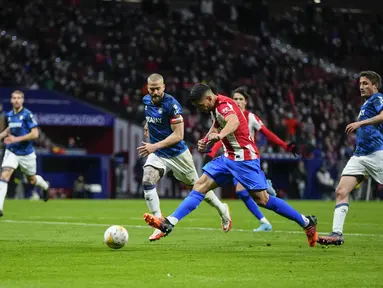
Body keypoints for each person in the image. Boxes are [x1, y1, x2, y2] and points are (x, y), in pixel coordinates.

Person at [143, 83, 318, 247]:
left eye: (199, 105)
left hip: (245, 159)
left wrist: (219, 137)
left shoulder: (223, 105)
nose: (199, 108)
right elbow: (217, 123)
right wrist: (207, 139)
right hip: (229, 158)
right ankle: (169, 223)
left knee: (263, 200)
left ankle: (306, 222)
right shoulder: (216, 107)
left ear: (209, 99)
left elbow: (233, 122)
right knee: (199, 186)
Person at [137, 74, 231, 242]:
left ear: (164, 87)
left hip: (178, 155)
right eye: (152, 89)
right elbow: (152, 116)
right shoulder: (146, 100)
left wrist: (154, 145)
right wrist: (148, 124)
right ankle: (158, 222)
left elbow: (179, 135)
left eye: (158, 88)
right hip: (159, 154)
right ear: (147, 88)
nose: (155, 92)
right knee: (147, 180)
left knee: (198, 188)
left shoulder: (172, 105)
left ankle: (222, 209)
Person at [203, 87, 298, 232]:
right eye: (235, 99)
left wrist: (285, 145)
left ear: (246, 102)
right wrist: (211, 152)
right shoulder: (223, 114)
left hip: (247, 159)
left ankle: (265, 198)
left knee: (243, 191)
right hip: (231, 159)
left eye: (241, 99)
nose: (238, 101)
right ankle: (264, 219)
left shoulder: (250, 117)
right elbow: (218, 137)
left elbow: (267, 133)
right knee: (242, 193)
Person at [318, 71, 383, 246]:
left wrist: (361, 123)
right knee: (341, 191)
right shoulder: (367, 104)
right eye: (360, 83)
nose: (361, 86)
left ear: (375, 86)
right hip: (359, 156)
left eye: (366, 83)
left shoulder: (377, 98)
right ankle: (337, 234)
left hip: (376, 154)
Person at [0, 90, 50, 217]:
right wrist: (2, 135)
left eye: (19, 98)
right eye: (14, 98)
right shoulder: (9, 114)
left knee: (31, 180)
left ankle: (45, 186)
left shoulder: (27, 115)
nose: (16, 100)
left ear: (22, 100)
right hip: (12, 151)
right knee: (5, 175)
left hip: (26, 154)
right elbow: (10, 129)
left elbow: (35, 134)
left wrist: (15, 139)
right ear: (11, 100)